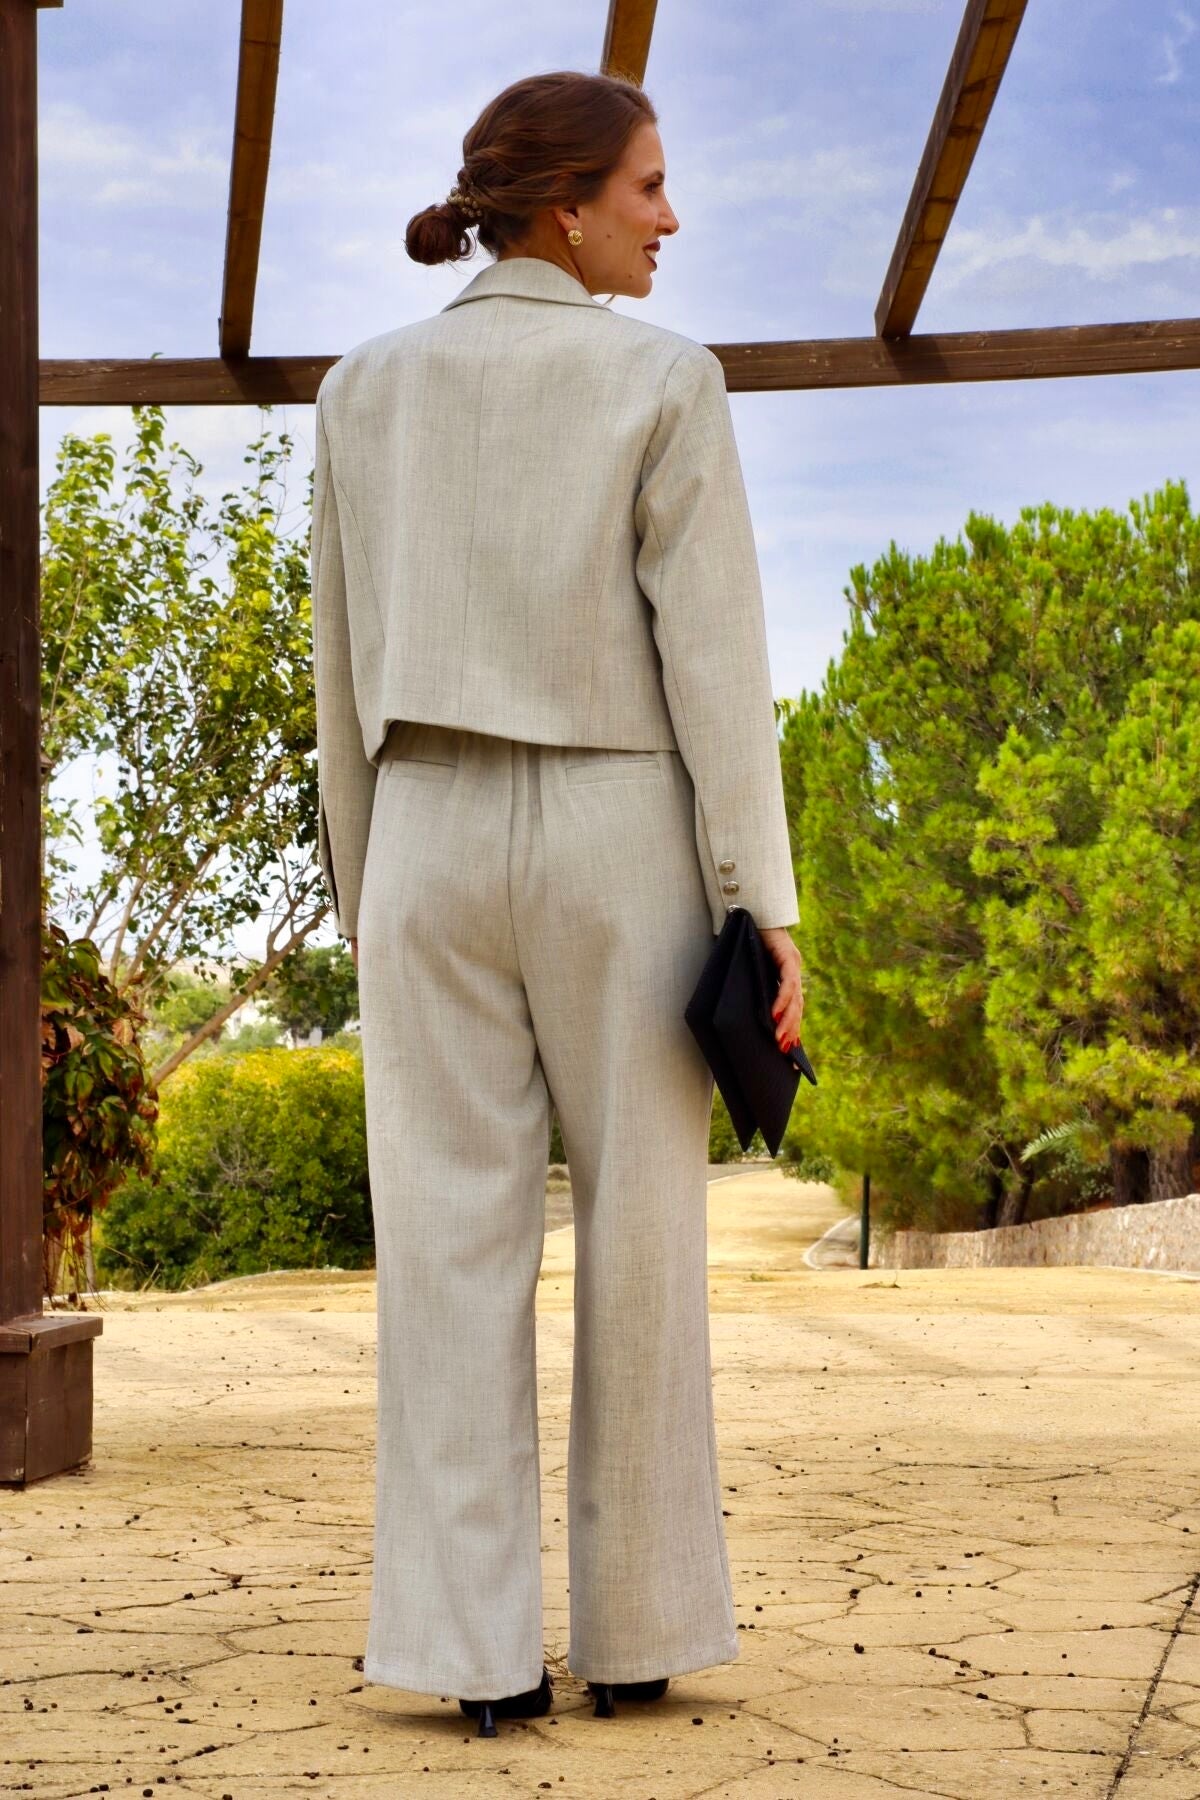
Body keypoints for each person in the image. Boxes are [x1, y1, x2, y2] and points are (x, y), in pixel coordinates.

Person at [310, 68, 805, 1738]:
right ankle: (644, 1629)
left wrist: (364, 901)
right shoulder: (664, 378)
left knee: (444, 1254)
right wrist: (765, 900)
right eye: (651, 188)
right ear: (568, 205)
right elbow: (716, 667)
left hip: (426, 833)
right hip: (617, 829)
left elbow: (342, 679)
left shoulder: (362, 391)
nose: (672, 219)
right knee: (642, 1242)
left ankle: (473, 1658)